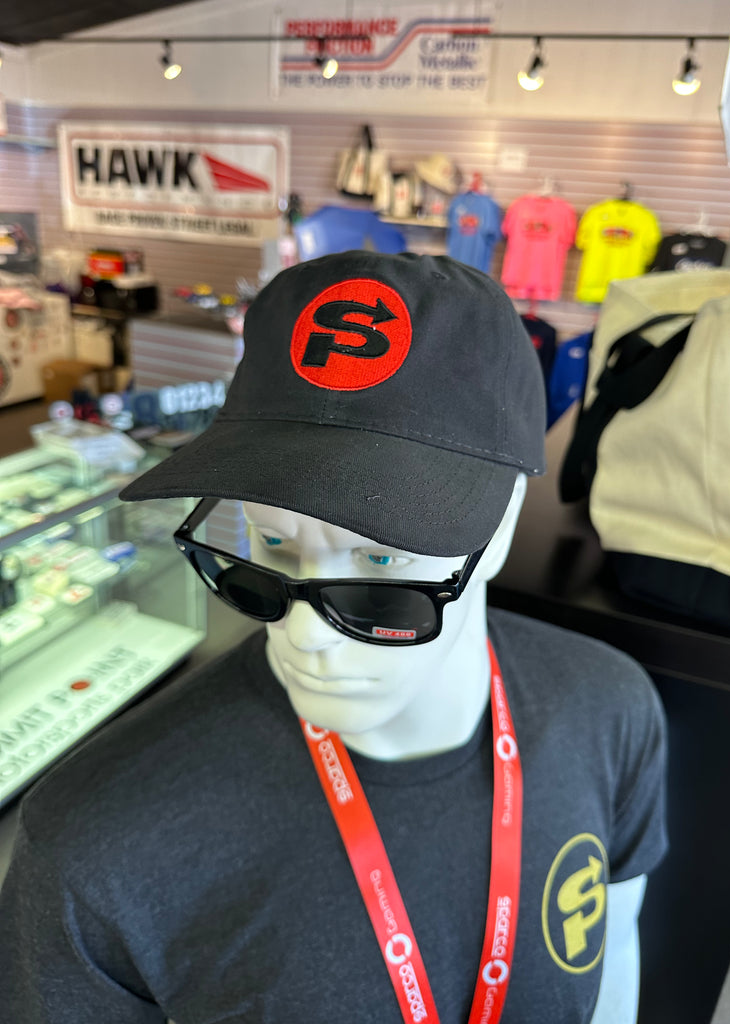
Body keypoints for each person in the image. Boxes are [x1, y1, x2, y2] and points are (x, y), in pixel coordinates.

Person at [0, 251, 667, 1023]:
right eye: (271, 544)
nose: (305, 633)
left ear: (505, 522)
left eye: (382, 560)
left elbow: (615, 955)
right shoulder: (94, 847)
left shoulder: (609, 710)